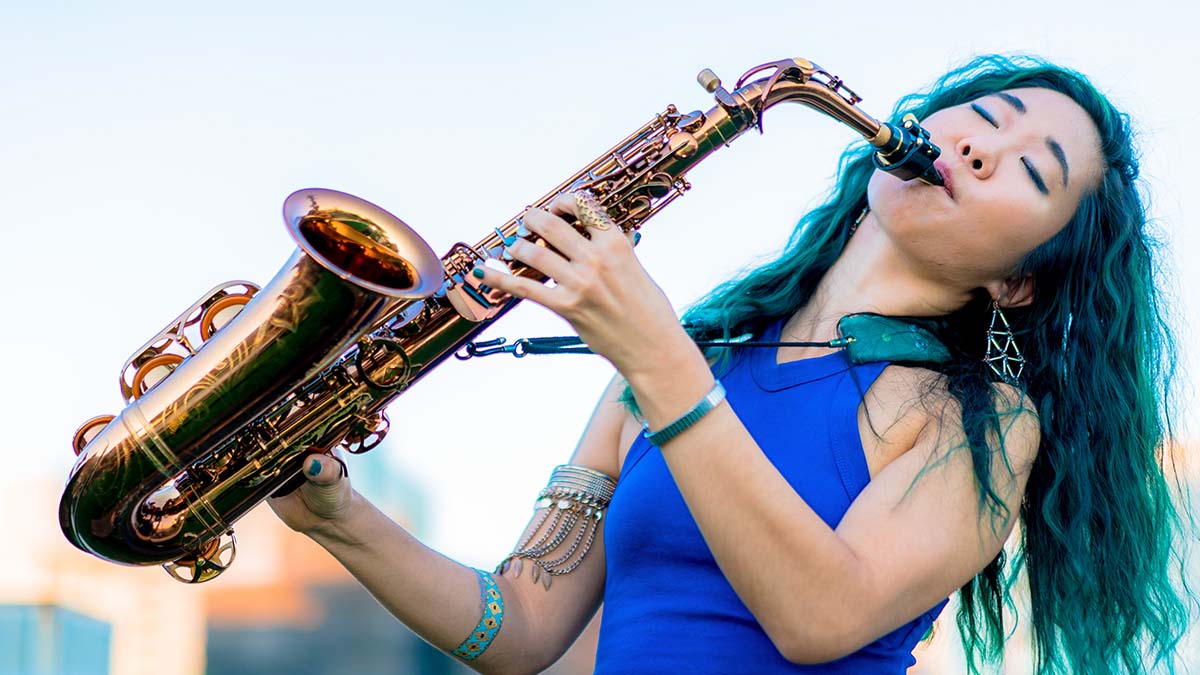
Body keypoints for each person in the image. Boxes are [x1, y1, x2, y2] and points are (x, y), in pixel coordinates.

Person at [268, 54, 1193, 674]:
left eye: (1033, 173)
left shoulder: (981, 422)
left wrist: (659, 358)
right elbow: (521, 627)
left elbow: (821, 616)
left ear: (1018, 283)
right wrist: (340, 519)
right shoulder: (692, 349)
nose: (982, 148)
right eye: (985, 118)